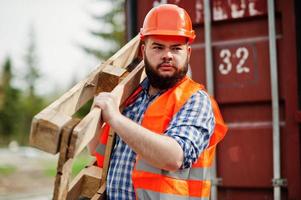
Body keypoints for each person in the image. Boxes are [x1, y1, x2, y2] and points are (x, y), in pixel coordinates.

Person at [88, 4, 227, 200]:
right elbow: (97, 150)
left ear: (188, 52)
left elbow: (174, 157)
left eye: (176, 48)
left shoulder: (195, 101)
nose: (167, 55)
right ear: (144, 50)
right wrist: (98, 110)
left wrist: (115, 118)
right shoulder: (130, 96)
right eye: (158, 47)